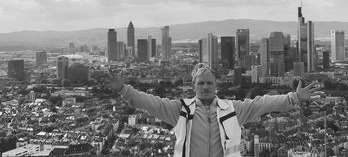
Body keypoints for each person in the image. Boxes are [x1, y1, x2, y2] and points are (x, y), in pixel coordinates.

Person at [107, 63, 321, 157]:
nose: (206, 87)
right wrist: (124, 90)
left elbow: (262, 103)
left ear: (216, 85)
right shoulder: (181, 110)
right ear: (194, 87)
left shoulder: (232, 109)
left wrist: (294, 98)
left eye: (210, 83)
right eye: (201, 84)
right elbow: (149, 102)